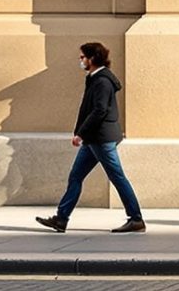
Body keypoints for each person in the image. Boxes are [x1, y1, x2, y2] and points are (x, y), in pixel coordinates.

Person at [38, 42, 145, 234]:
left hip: (101, 139)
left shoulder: (102, 81)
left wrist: (81, 133)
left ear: (92, 58)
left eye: (82, 57)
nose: (80, 61)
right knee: (76, 176)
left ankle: (136, 219)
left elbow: (99, 110)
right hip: (93, 139)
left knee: (117, 177)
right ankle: (61, 219)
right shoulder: (96, 79)